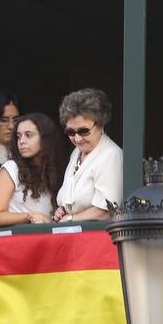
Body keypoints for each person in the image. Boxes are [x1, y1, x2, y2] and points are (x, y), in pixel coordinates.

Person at [54, 88, 124, 223]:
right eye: (71, 132)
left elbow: (106, 211)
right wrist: (62, 210)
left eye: (84, 131)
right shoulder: (76, 153)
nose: (78, 139)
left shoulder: (111, 155)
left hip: (96, 239)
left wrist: (70, 218)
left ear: (100, 124)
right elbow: (70, 201)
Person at [0, 112, 65, 226]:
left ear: (45, 139)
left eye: (28, 135)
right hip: (19, 240)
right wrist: (31, 216)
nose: (22, 141)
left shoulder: (54, 171)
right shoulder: (11, 168)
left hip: (46, 240)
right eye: (18, 136)